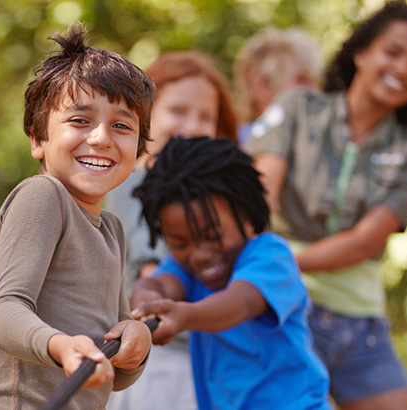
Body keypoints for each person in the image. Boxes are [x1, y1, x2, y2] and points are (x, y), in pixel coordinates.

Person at [245, 2, 407, 409]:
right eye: (393, 52)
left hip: (359, 324)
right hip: (281, 309)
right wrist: (270, 275)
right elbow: (257, 198)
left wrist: (285, 262)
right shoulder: (297, 107)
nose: (404, 68)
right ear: (361, 52)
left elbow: (365, 242)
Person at [0, 24, 155, 410]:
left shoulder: (112, 228)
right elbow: (3, 312)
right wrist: (60, 346)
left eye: (121, 126)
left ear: (138, 152)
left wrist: (137, 340)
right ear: (38, 139)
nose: (101, 138)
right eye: (80, 120)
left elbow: (113, 373)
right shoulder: (44, 196)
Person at [130, 136, 332, 410]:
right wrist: (145, 303)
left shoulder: (270, 256)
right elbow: (158, 285)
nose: (199, 254)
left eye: (213, 235)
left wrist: (184, 316)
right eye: (180, 243)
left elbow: (241, 302)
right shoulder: (185, 269)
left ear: (246, 215)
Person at [105, 50, 238, 410]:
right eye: (178, 111)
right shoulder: (135, 180)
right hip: (161, 361)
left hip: (207, 358)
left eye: (206, 117)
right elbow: (149, 268)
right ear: (145, 115)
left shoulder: (208, 197)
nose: (192, 126)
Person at [233, 27, 323, 148]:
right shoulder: (236, 146)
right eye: (301, 80)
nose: (315, 91)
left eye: (314, 81)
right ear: (263, 86)